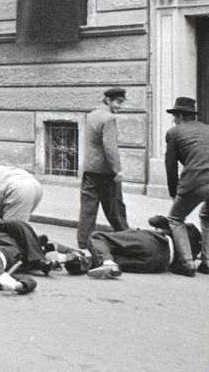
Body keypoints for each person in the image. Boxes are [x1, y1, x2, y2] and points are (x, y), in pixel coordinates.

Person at [162, 96, 209, 276]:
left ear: (179, 116)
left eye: (175, 116)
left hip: (198, 180)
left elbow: (170, 166)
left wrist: (174, 192)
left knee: (175, 218)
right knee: (208, 217)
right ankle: (206, 263)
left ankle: (187, 264)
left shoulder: (174, 133)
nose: (174, 120)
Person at [77, 87, 129, 250]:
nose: (120, 106)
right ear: (108, 100)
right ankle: (127, 238)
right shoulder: (109, 118)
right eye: (118, 102)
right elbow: (110, 147)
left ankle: (83, 242)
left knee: (88, 208)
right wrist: (118, 170)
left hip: (90, 169)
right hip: (106, 172)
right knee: (115, 208)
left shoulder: (92, 115)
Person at [72, 216, 202, 279]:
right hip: (158, 264)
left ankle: (105, 262)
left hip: (155, 242)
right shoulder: (191, 252)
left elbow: (153, 220)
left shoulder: (179, 226)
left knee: (98, 237)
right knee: (112, 257)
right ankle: (75, 261)